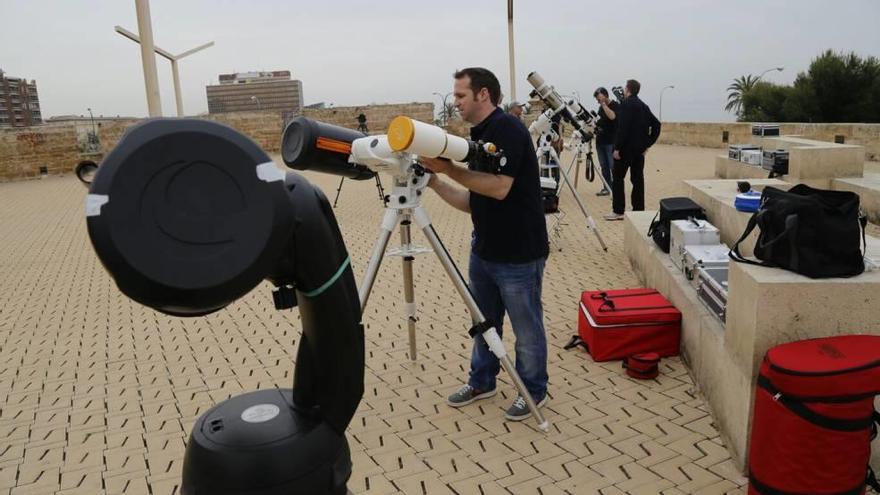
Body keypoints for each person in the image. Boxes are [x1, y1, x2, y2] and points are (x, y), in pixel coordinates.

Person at [421, 67, 550, 421]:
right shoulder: (478, 134)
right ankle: (482, 381)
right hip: (485, 250)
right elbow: (473, 200)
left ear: (483, 94)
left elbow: (499, 187)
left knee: (527, 329)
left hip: (519, 253)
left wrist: (449, 170)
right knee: (483, 322)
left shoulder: (507, 128)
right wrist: (435, 183)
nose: (456, 102)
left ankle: (534, 390)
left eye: (461, 95)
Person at [604, 79, 661, 221]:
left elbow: (623, 128)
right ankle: (638, 210)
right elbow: (657, 125)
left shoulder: (626, 104)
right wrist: (647, 144)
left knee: (617, 179)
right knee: (638, 180)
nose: (623, 89)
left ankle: (618, 211)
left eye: (625, 87)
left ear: (628, 89)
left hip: (624, 150)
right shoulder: (643, 106)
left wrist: (617, 148)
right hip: (639, 151)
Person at [592, 87, 619, 196]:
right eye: (597, 100)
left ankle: (616, 188)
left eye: (599, 99)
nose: (598, 101)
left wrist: (604, 104)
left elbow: (612, 117)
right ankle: (607, 188)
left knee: (612, 166)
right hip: (600, 141)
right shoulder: (600, 108)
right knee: (604, 167)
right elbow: (599, 122)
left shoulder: (616, 105)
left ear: (605, 95)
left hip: (610, 142)